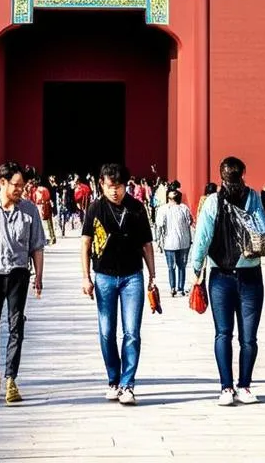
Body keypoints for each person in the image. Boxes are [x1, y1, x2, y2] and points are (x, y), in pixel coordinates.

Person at [190, 156, 265, 407]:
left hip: (221, 276)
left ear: (220, 175)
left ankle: (227, 387)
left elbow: (202, 238)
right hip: (250, 275)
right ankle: (243, 386)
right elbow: (263, 227)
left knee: (223, 333)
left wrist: (196, 269)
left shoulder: (213, 202)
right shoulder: (254, 198)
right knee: (248, 337)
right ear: (243, 173)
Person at [81, 163, 156, 406]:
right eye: (110, 186)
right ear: (101, 185)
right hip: (103, 277)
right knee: (106, 332)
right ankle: (113, 379)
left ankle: (127, 384)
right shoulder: (95, 208)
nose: (115, 191)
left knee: (131, 332)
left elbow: (146, 244)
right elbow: (85, 243)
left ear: (127, 185)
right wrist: (86, 277)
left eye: (120, 186)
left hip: (132, 276)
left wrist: (152, 275)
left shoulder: (136, 208)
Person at [0, 160, 45, 405]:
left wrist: (39, 278)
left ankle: (11, 378)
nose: (20, 190)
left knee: (16, 325)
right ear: (2, 183)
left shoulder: (30, 210)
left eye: (22, 185)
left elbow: (37, 246)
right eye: (15, 185)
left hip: (18, 275)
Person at [157, 188, 193, 296]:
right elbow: (190, 221)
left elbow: (159, 225)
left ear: (169, 199)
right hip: (184, 242)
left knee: (171, 267)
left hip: (169, 243)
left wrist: (159, 242)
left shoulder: (163, 209)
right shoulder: (184, 208)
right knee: (182, 266)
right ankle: (180, 288)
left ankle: (172, 288)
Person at [32, 177, 56, 246]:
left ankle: (49, 237)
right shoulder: (41, 189)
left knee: (45, 223)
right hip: (43, 206)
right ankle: (51, 237)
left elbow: (40, 199)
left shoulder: (40, 190)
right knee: (48, 222)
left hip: (42, 206)